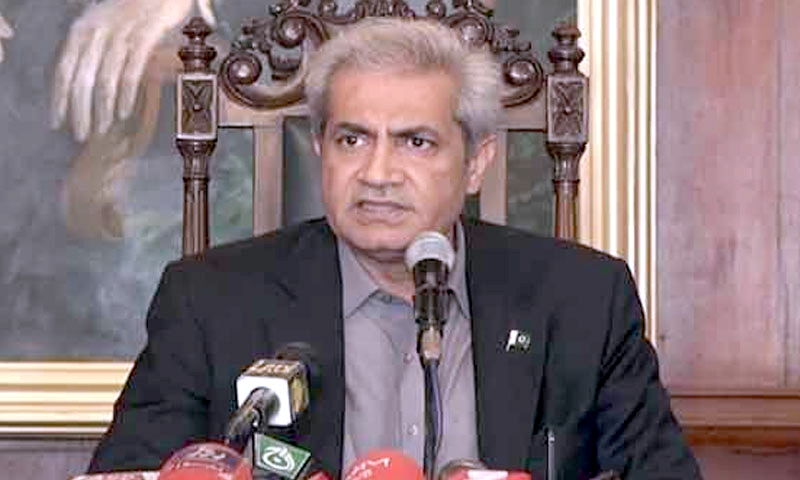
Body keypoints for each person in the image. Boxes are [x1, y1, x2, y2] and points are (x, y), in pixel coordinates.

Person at [88, 18, 701, 479]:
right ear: (320, 149)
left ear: (476, 162)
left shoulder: (583, 301)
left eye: (415, 142)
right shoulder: (211, 301)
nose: (377, 173)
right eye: (352, 139)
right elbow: (131, 473)